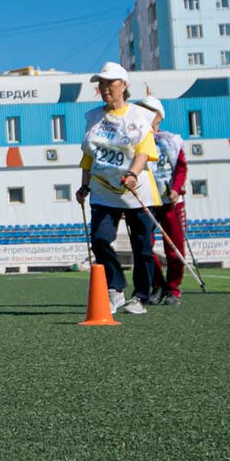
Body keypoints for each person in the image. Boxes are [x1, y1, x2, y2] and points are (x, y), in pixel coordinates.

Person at [75, 62, 161, 315]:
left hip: (137, 190)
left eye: (109, 83)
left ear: (123, 85)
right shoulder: (93, 117)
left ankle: (141, 297)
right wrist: (84, 185)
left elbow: (145, 151)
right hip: (103, 188)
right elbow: (89, 156)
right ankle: (115, 288)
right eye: (100, 84)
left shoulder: (139, 116)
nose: (104, 88)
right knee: (100, 240)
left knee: (142, 247)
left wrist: (133, 173)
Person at [137, 95, 189, 304]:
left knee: (174, 248)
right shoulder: (135, 141)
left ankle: (174, 288)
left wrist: (176, 190)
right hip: (146, 203)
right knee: (144, 247)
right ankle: (157, 284)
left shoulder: (171, 141)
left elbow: (181, 169)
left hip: (170, 202)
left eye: (148, 112)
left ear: (158, 116)